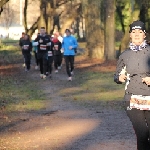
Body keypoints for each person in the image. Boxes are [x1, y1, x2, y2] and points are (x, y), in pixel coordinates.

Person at [114, 20, 150, 150]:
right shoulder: (125, 55)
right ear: (130, 35)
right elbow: (116, 75)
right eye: (134, 32)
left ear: (144, 34)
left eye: (139, 32)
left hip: (149, 97)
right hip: (132, 98)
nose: (136, 35)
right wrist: (119, 77)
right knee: (142, 134)